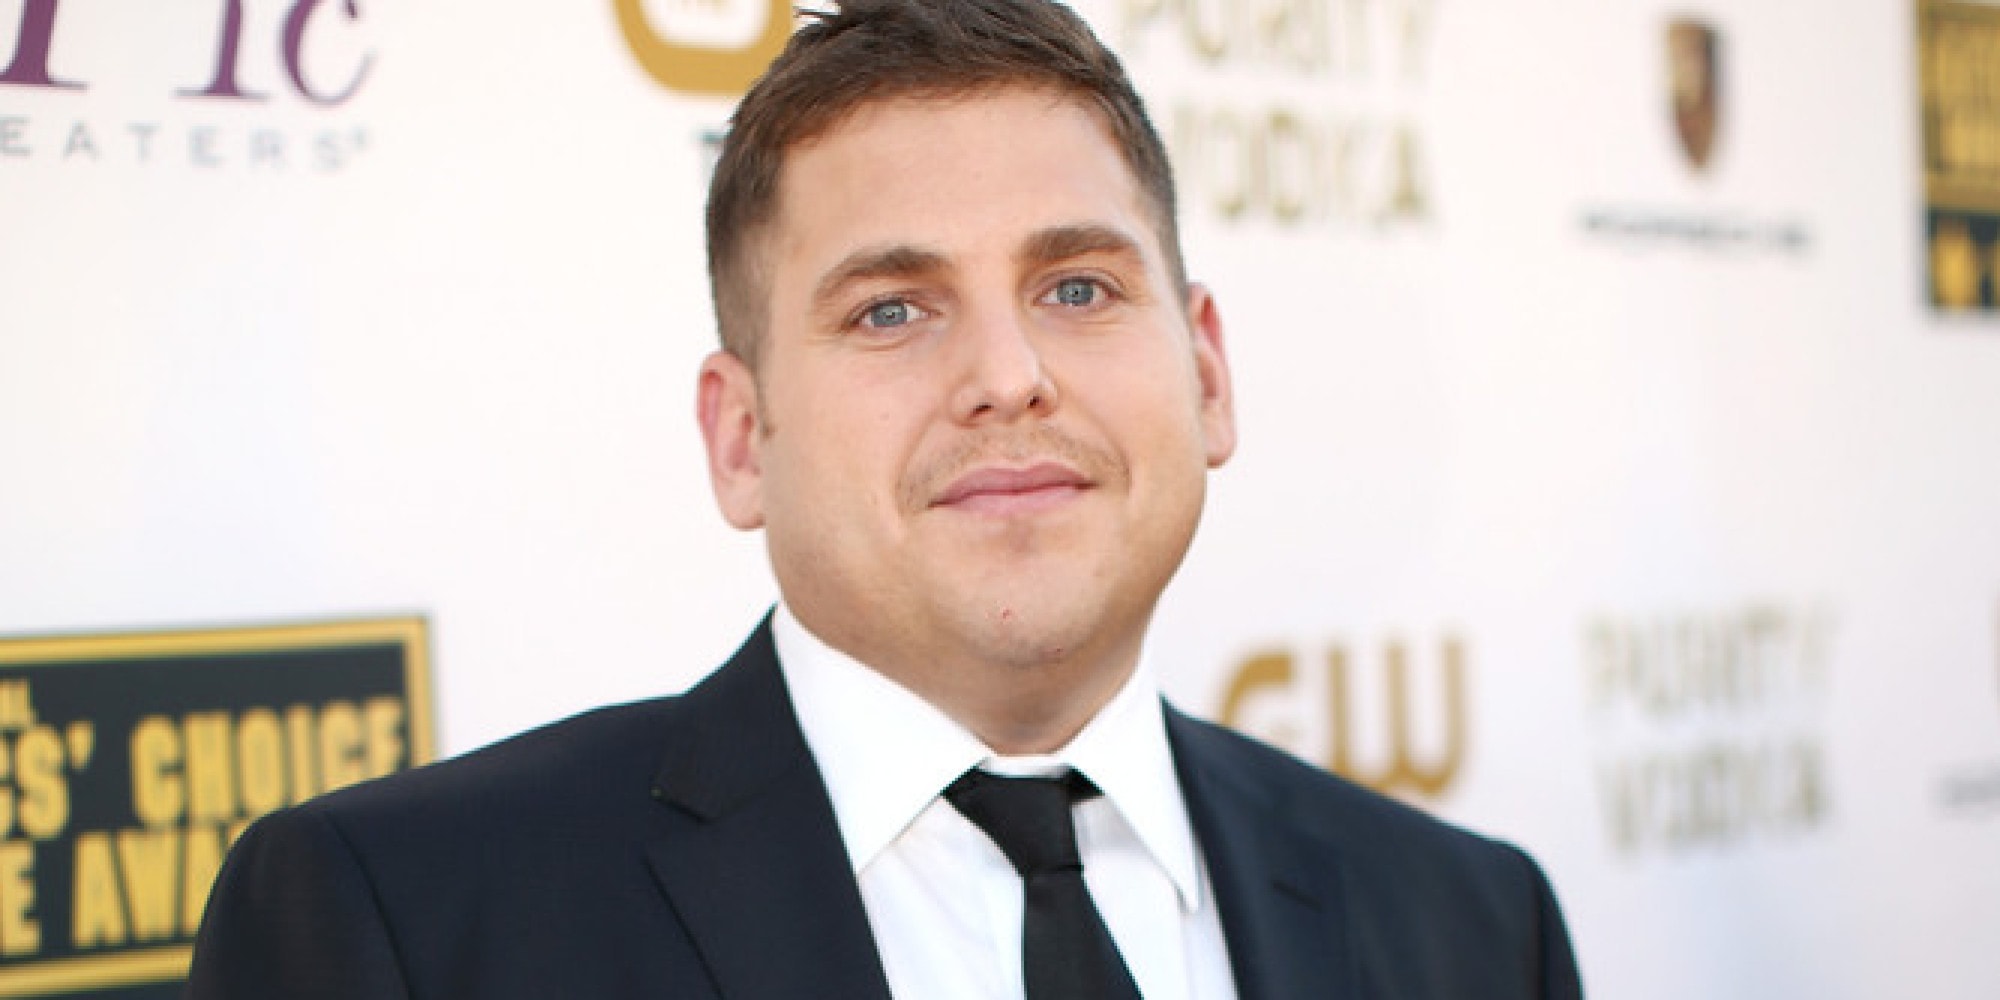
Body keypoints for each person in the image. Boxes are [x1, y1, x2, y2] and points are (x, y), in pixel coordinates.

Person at [186, 1, 1584, 997]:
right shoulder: (406, 926)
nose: (1009, 376)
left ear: (1207, 374)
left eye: (1078, 287)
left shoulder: (1473, 927)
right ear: (742, 439)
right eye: (893, 309)